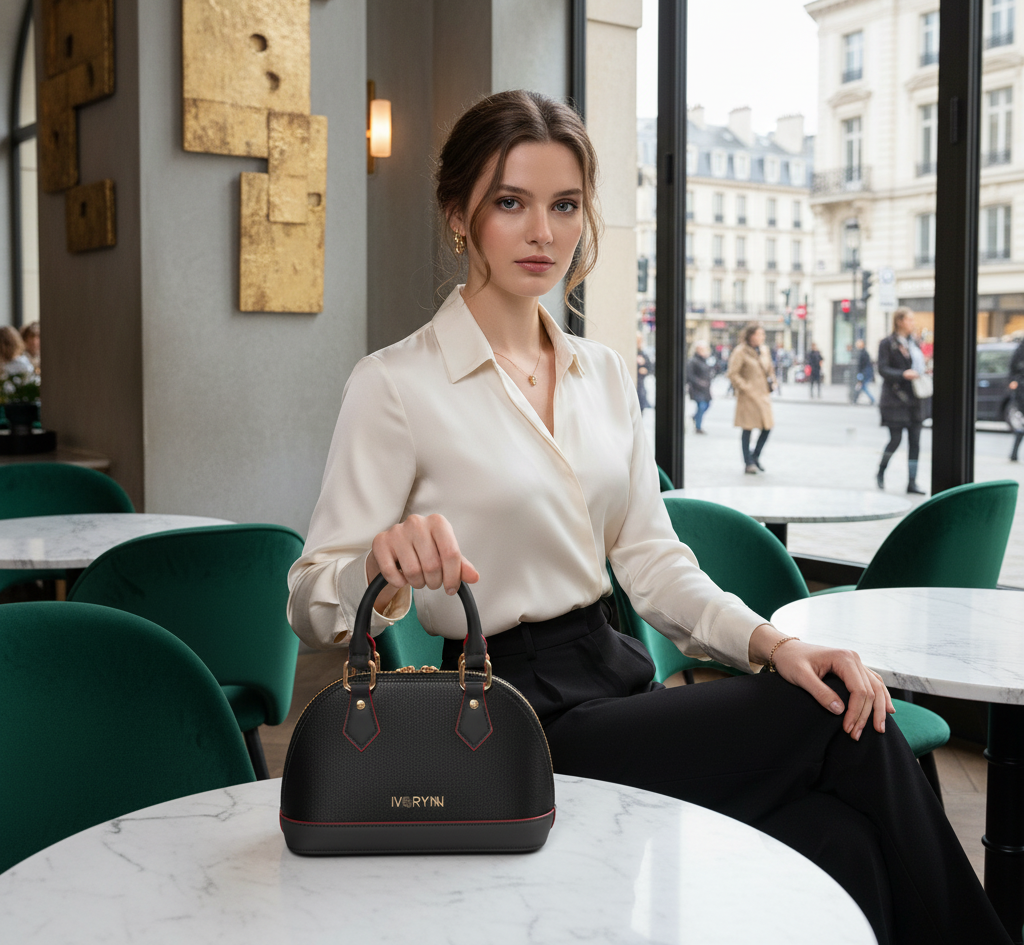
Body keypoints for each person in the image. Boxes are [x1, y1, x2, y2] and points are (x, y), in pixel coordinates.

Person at [287, 90, 1011, 945]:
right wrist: (382, 564)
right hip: (509, 716)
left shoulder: (601, 374)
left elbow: (655, 562)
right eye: (510, 204)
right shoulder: (396, 384)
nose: (542, 233)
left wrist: (775, 645)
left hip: (621, 676)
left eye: (564, 206)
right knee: (837, 718)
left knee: (840, 836)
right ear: (459, 214)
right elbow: (309, 600)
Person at [877, 308, 927, 494]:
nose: (912, 323)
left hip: (915, 400)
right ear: (899, 321)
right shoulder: (887, 343)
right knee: (895, 440)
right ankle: (881, 472)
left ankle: (912, 482)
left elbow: (918, 365)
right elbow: (882, 369)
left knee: (915, 443)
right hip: (895, 401)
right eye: (909, 320)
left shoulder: (914, 342)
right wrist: (903, 374)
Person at [727, 322, 774, 474]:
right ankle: (748, 462)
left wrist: (773, 381)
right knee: (747, 429)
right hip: (748, 397)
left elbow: (770, 369)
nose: (762, 337)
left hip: (763, 395)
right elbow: (733, 373)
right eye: (760, 334)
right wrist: (747, 388)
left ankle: (755, 456)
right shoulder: (740, 351)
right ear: (751, 335)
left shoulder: (764, 350)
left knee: (767, 427)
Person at [685, 342, 712, 433]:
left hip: (705, 388)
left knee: (707, 404)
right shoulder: (693, 361)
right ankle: (698, 426)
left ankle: (695, 417)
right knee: (701, 405)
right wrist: (699, 382)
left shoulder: (705, 360)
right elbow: (690, 375)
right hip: (696, 388)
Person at [1008, 337, 1024, 462]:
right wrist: (1014, 381)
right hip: (1021, 390)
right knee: (1021, 423)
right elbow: (1013, 367)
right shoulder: (1020, 349)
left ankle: (1013, 454)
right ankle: (1013, 454)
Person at [852, 339, 876, 405]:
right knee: (862, 386)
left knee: (863, 386)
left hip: (864, 373)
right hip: (865, 372)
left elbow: (861, 365)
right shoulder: (864, 352)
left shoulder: (862, 353)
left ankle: (871, 399)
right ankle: (855, 399)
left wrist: (860, 374)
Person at [635, 333, 653, 412]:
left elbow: (650, 367)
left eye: (640, 340)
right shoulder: (631, 353)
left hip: (641, 385)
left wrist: (646, 371)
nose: (639, 342)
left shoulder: (643, 354)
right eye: (638, 340)